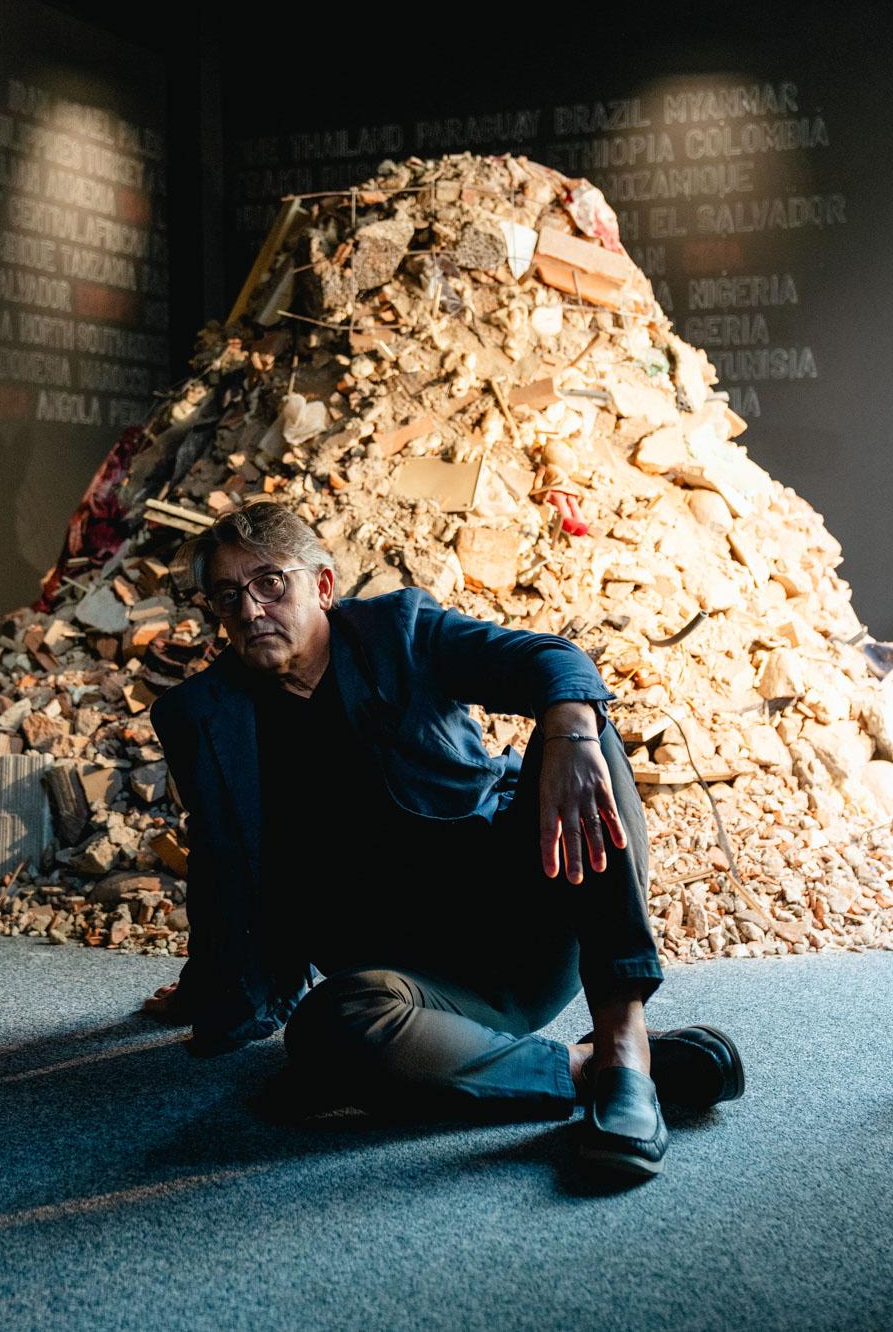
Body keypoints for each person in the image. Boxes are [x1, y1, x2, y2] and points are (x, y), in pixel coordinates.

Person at [144, 501, 744, 1178]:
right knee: (322, 1030)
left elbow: (550, 658)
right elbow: (222, 863)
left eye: (270, 583)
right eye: (229, 595)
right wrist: (206, 986)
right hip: (416, 986)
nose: (252, 610)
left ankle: (624, 1045)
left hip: (526, 916)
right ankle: (583, 1070)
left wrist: (571, 732)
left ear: (323, 584)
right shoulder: (205, 717)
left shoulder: (399, 633)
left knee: (582, 736)